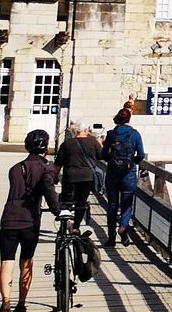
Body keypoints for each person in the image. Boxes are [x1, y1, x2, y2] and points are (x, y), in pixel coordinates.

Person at [0, 129, 62, 312]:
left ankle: (5, 302)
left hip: (8, 219)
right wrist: (58, 210)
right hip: (29, 221)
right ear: (46, 146)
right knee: (26, 262)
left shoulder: (14, 169)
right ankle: (21, 304)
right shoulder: (46, 169)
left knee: (6, 263)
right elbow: (50, 190)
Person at [101, 104, 146, 244]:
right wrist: (133, 162)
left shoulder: (111, 134)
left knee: (112, 205)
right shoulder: (135, 134)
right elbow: (141, 154)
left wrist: (112, 161)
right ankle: (123, 226)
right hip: (128, 174)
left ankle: (111, 237)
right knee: (127, 204)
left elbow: (103, 154)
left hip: (112, 174)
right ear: (129, 119)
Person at [55, 120, 105, 228]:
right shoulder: (92, 141)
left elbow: (58, 163)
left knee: (66, 201)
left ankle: (64, 223)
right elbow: (101, 156)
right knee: (81, 203)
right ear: (86, 130)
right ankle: (76, 227)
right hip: (86, 177)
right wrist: (100, 143)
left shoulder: (67, 143)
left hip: (70, 176)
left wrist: (55, 176)